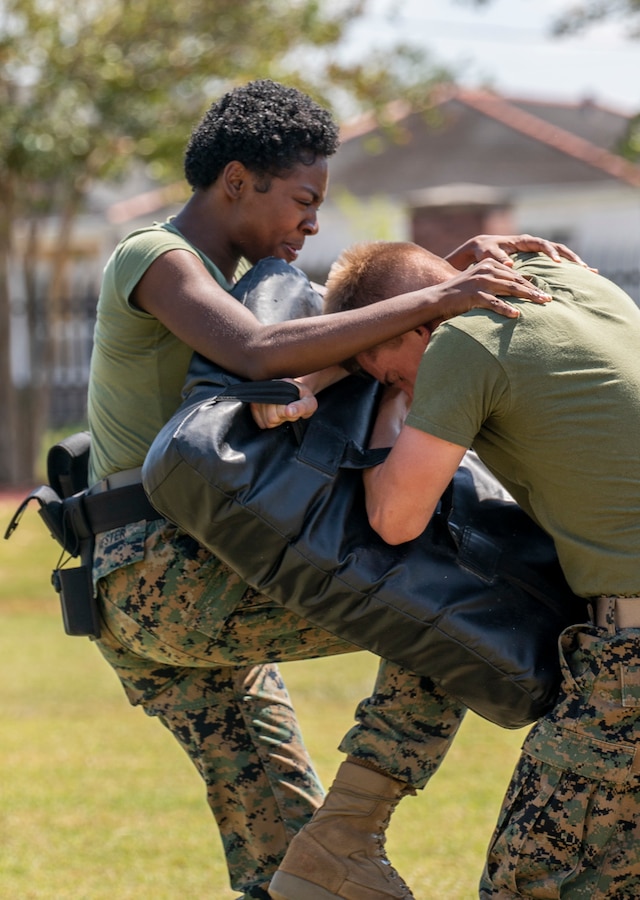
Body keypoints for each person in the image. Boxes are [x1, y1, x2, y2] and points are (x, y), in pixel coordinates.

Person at [87, 74, 589, 900]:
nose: (313, 222)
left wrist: (433, 278)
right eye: (302, 200)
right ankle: (356, 830)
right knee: (458, 620)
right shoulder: (159, 258)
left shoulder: (250, 289)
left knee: (287, 858)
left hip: (164, 579)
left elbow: (340, 345)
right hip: (167, 577)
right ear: (237, 180)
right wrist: (442, 294)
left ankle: (329, 853)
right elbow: (259, 352)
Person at [278, 238, 640, 899]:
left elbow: (395, 518)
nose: (404, 388)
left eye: (392, 375)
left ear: (424, 323)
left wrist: (382, 413)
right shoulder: (566, 282)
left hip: (633, 658)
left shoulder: (463, 341)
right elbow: (422, 293)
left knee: (530, 881)